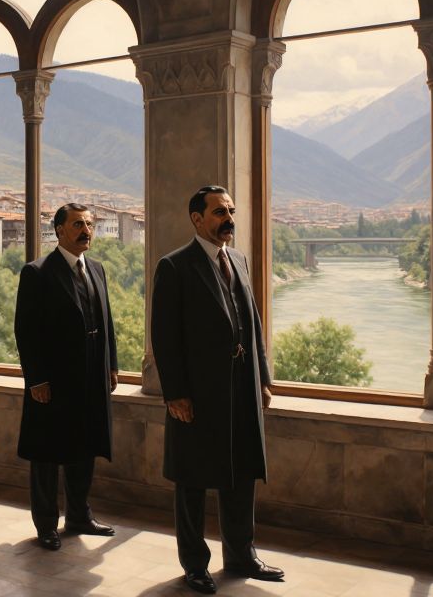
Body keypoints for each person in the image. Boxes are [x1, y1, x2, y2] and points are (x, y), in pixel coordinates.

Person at [151, 186, 282, 594]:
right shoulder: (174, 267)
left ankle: (242, 555)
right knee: (192, 481)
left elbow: (253, 324)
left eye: (231, 211)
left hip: (241, 391)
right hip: (197, 395)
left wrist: (261, 378)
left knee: (241, 475)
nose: (228, 218)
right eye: (219, 212)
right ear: (197, 219)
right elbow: (164, 336)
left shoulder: (238, 259)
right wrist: (175, 394)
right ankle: (194, 565)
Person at [15, 203, 119, 551]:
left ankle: (79, 516)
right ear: (59, 230)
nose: (86, 230)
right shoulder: (38, 272)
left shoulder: (98, 269)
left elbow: (107, 323)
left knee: (85, 447)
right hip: (54, 382)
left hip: (91, 377)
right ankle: (46, 523)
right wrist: (37, 380)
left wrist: (112, 366)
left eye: (89, 224)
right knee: (47, 454)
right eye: (77, 224)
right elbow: (26, 331)